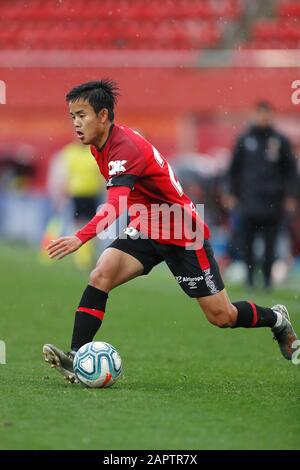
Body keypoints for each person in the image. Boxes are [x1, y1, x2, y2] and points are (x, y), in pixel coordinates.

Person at [43, 81, 298, 383]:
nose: (75, 123)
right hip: (147, 225)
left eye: (81, 115)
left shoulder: (125, 147)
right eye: (72, 116)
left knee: (222, 316)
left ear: (103, 115)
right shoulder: (101, 145)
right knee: (101, 274)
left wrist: (79, 237)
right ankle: (77, 356)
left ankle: (277, 319)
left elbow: (114, 205)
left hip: (180, 232)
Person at [226, 101, 297, 289]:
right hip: (248, 199)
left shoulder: (280, 140)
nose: (264, 118)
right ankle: (249, 279)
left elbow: (290, 170)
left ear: (272, 116)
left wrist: (291, 195)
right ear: (254, 115)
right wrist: (231, 193)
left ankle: (266, 280)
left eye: (267, 114)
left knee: (270, 244)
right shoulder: (244, 139)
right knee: (247, 242)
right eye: (260, 114)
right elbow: (234, 169)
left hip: (273, 201)